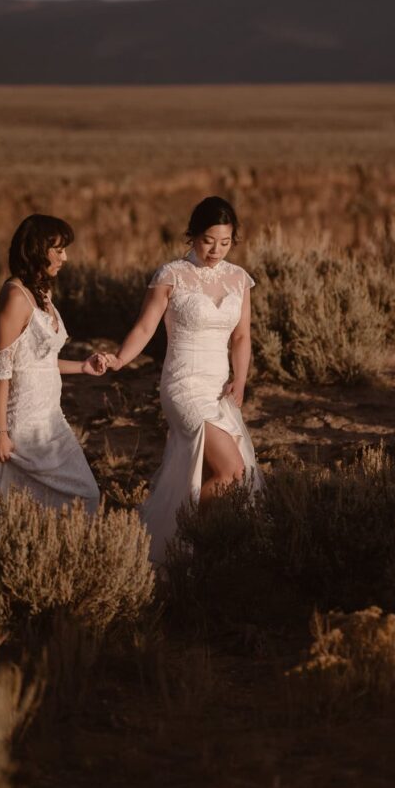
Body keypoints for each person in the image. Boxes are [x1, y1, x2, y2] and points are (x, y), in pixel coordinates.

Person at [105, 196, 264, 563]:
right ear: (192, 234)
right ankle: (185, 535)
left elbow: (241, 337)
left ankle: (196, 552)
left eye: (225, 242)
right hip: (182, 386)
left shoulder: (239, 279)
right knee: (233, 471)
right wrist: (119, 359)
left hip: (219, 388)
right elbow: (145, 327)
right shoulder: (171, 275)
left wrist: (240, 381)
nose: (216, 250)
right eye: (209, 240)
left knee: (214, 471)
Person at [0, 214, 104, 513]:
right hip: (25, 422)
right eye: (59, 250)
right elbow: (1, 370)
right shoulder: (15, 297)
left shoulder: (43, 293)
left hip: (51, 418)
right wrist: (0, 433)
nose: (66, 257)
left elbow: (40, 362)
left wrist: (83, 367)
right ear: (38, 250)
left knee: (34, 501)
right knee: (84, 495)